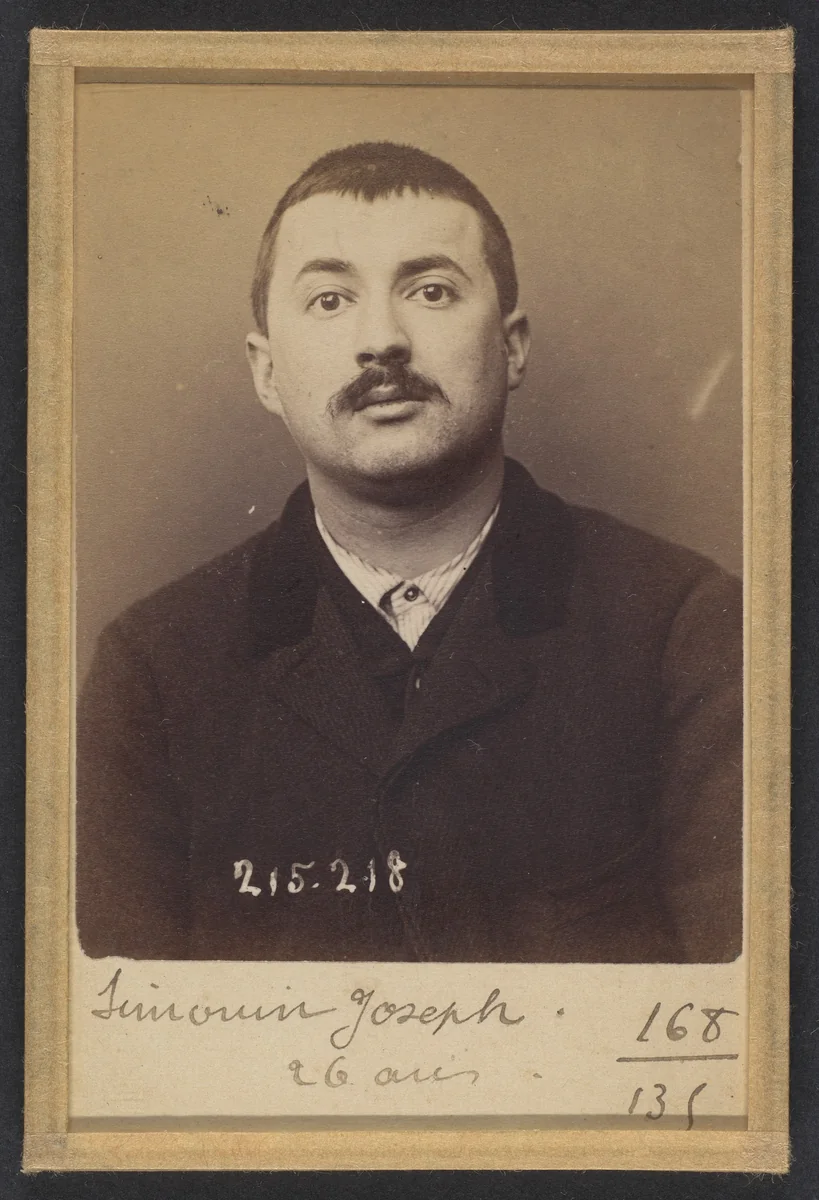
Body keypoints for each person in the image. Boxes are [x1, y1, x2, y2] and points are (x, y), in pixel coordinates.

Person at [76, 141, 742, 963]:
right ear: (265, 373)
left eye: (430, 291)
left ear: (514, 347)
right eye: (328, 299)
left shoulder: (685, 628)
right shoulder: (152, 666)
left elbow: (743, 1037)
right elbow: (117, 1059)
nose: (380, 340)